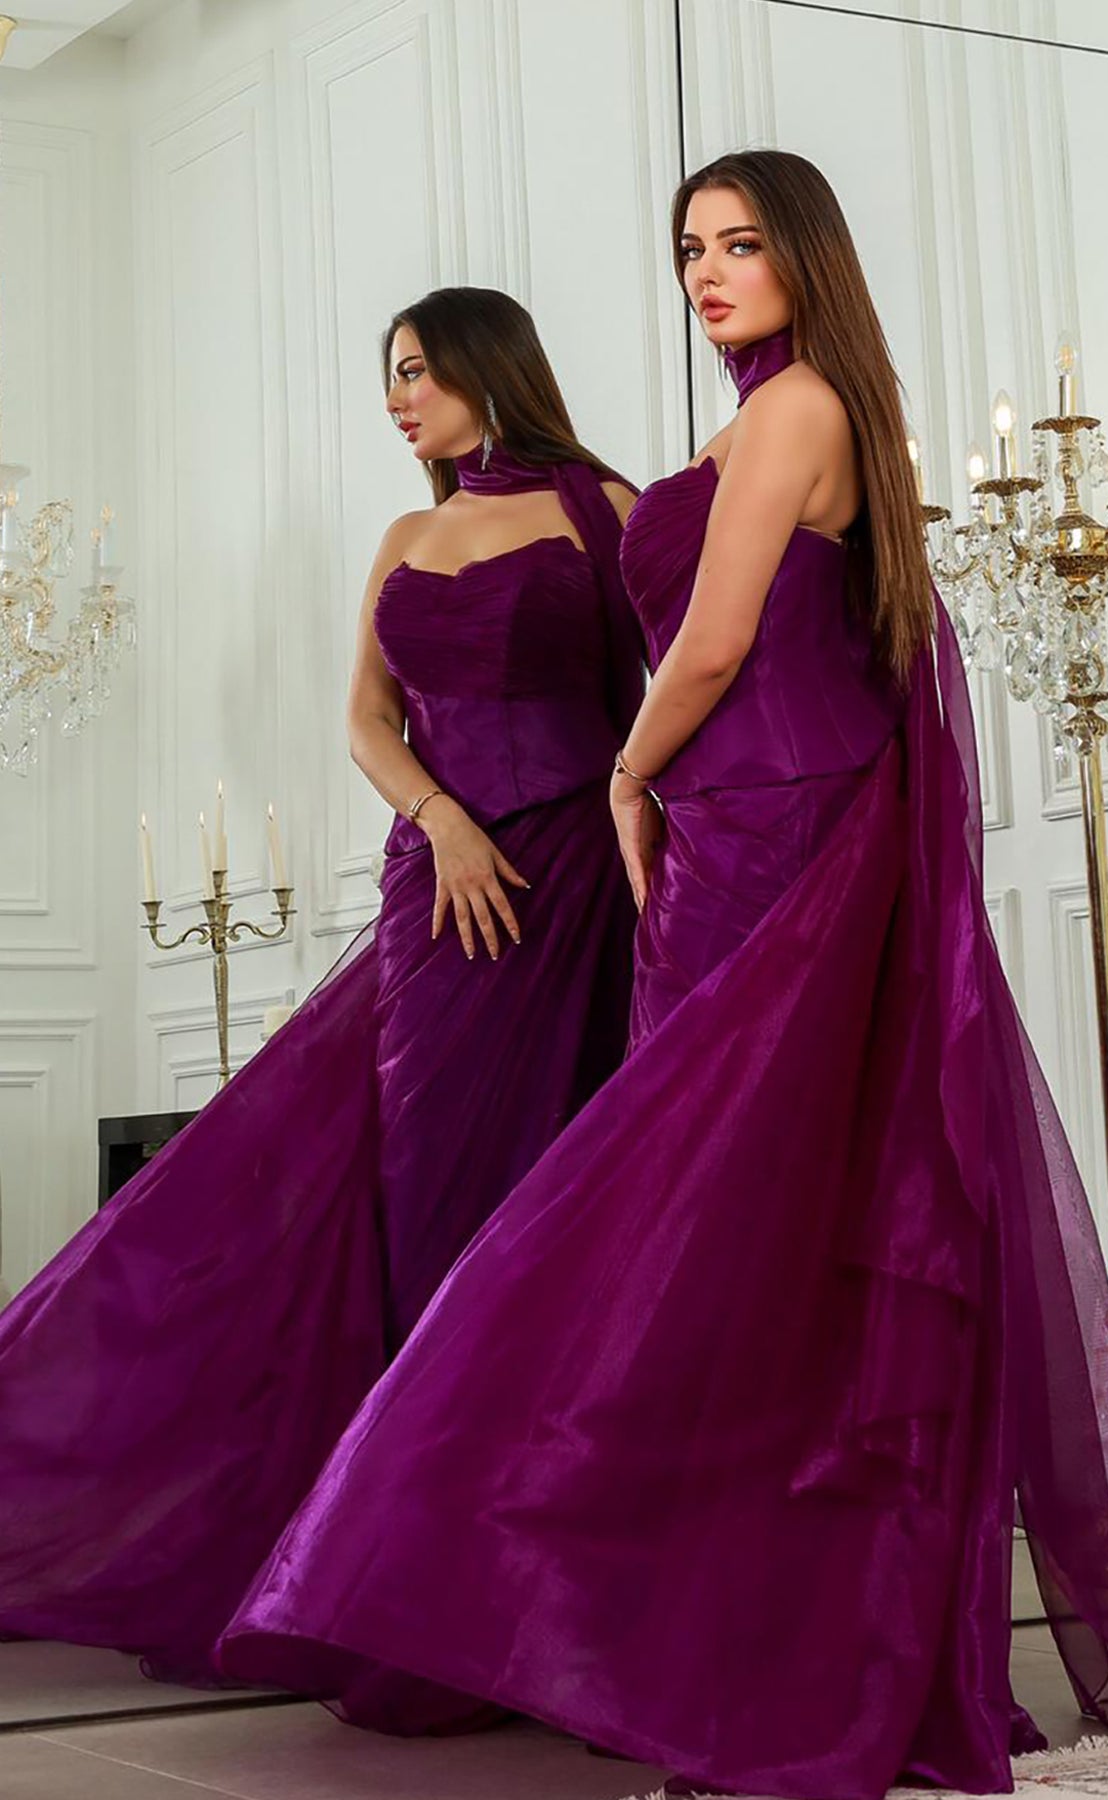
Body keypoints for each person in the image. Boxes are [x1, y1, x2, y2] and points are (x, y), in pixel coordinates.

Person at [219, 157, 1108, 1798]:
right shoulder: (761, 422)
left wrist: (624, 776)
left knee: (718, 1224)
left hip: (767, 831)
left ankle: (748, 1635)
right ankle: (706, 1621)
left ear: (805, 258)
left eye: (740, 244)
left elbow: (720, 638)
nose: (707, 272)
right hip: (731, 836)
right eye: (690, 248)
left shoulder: (799, 408)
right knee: (742, 1233)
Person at [0, 286, 643, 1689]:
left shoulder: (606, 509)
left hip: (575, 892)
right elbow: (364, 719)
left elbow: (657, 702)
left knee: (548, 1198)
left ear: (487, 366)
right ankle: (398, 1546)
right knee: (421, 1192)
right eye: (389, 376)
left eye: (416, 371)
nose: (397, 399)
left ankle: (530, 1561)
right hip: (441, 896)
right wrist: (443, 820)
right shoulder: (406, 537)